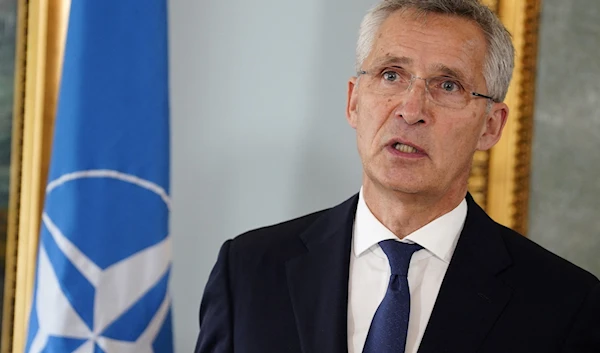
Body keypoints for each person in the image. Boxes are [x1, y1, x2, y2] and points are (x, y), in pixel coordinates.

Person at [194, 0, 600, 352]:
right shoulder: (248, 271)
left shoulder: (566, 304)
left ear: (491, 126)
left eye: (448, 85)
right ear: (354, 101)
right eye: (391, 75)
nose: (411, 109)